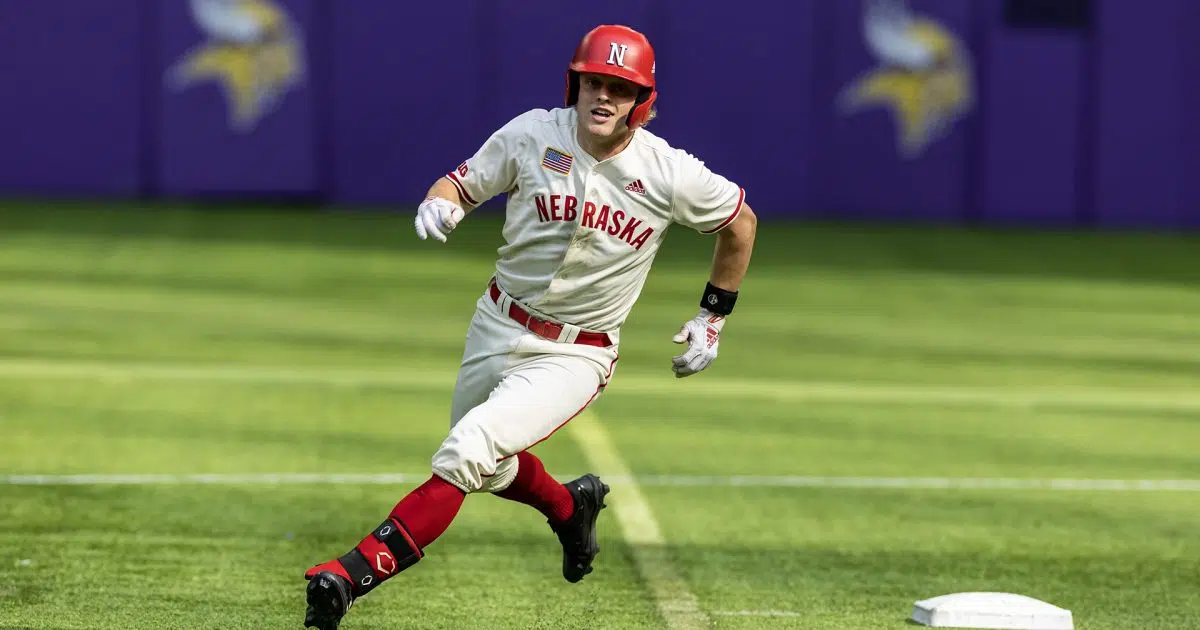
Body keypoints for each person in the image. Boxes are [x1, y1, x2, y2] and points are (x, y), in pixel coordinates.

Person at [302, 23, 757, 630]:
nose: (604, 97)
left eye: (620, 88)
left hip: (576, 352)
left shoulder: (668, 171)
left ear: (642, 102)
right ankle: (571, 508)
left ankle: (350, 574)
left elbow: (740, 223)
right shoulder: (532, 133)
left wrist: (713, 316)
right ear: (576, 81)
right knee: (487, 467)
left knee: (467, 451)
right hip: (497, 321)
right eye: (595, 81)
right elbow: (461, 183)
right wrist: (442, 202)